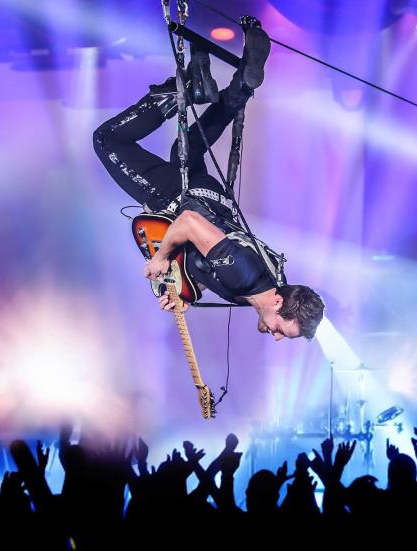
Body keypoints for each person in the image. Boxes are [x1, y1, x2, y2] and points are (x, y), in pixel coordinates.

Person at [93, 19, 323, 340]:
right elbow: (187, 223)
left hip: (211, 199)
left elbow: (208, 263)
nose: (276, 336)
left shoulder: (264, 285)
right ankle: (176, 91)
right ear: (278, 300)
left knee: (185, 148)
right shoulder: (245, 276)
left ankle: (240, 88)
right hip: (179, 198)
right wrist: (160, 259)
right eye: (282, 329)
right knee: (108, 141)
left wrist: (187, 292)